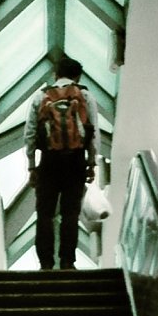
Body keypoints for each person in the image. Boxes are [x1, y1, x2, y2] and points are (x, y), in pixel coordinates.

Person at [24, 56, 98, 270]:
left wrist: (31, 165)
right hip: (75, 161)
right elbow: (93, 133)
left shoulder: (41, 96)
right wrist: (91, 163)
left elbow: (29, 133)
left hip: (49, 160)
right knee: (70, 213)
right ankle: (67, 261)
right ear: (77, 77)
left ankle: (45, 263)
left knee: (45, 213)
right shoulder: (85, 95)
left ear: (56, 75)